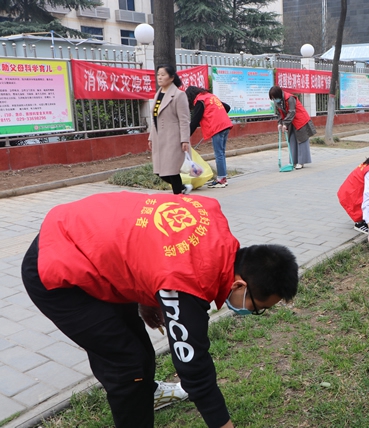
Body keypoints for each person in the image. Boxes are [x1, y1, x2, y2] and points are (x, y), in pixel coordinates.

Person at [20, 192, 299, 428]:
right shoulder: (188, 280)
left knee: (138, 348)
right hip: (57, 270)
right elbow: (194, 368)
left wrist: (149, 295)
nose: (252, 313)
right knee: (127, 364)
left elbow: (154, 248)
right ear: (239, 285)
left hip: (81, 239)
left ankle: (147, 394)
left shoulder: (214, 225)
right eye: (257, 307)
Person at [149, 65, 191, 195]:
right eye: (158, 74)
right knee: (159, 171)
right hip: (159, 137)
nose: (159, 77)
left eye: (163, 75)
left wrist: (185, 140)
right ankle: (182, 188)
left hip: (173, 138)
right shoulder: (158, 94)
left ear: (172, 78)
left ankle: (178, 196)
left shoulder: (179, 95)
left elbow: (184, 120)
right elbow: (154, 117)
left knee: (172, 170)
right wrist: (151, 137)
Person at [185, 86, 233, 188]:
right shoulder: (210, 97)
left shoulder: (200, 101)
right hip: (226, 126)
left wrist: (185, 136)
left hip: (218, 128)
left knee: (219, 154)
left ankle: (221, 180)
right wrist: (217, 115)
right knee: (221, 153)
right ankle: (223, 178)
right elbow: (227, 107)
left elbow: (195, 121)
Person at [268, 85, 316, 169]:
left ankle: (301, 162)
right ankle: (293, 161)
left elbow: (292, 112)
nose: (274, 99)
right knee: (292, 139)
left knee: (301, 140)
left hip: (300, 120)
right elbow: (279, 114)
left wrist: (285, 123)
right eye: (273, 98)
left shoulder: (290, 98)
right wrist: (280, 123)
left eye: (275, 97)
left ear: (279, 95)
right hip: (291, 121)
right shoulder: (277, 102)